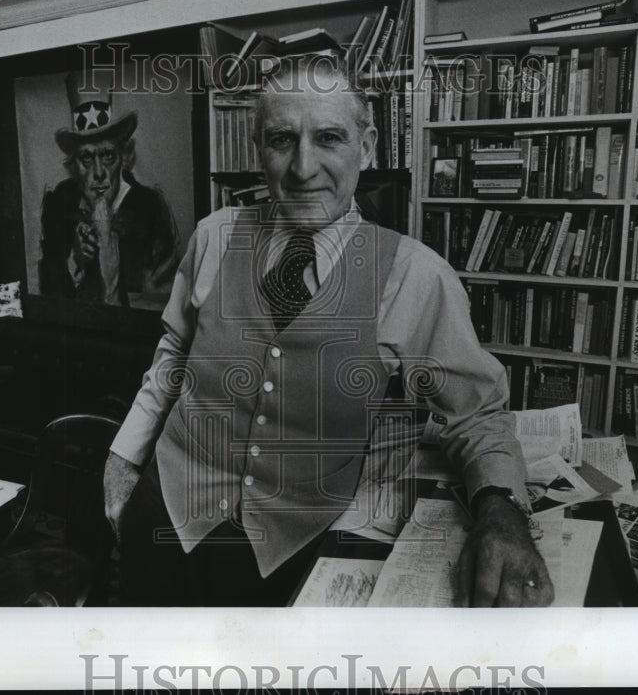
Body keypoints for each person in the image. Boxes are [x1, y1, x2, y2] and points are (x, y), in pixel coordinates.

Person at [103, 57, 553, 607]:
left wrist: (501, 512)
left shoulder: (415, 275)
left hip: (294, 548)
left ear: (366, 148)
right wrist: (123, 462)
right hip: (167, 508)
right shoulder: (213, 236)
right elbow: (174, 350)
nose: (303, 167)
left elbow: (477, 413)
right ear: (256, 149)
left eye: (330, 138)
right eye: (281, 140)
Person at [39, 70, 178, 306]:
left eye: (107, 156)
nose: (99, 172)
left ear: (123, 158)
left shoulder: (149, 207)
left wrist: (110, 259)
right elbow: (50, 296)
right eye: (86, 158)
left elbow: (162, 303)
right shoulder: (59, 204)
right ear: (74, 166)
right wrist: (75, 260)